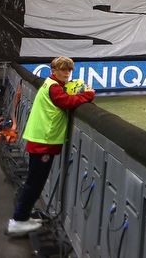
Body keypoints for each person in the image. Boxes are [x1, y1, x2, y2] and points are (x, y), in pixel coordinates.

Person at [7, 56, 95, 237]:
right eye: (63, 70)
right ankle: (18, 220)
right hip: (44, 142)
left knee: (34, 181)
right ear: (54, 70)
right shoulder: (54, 87)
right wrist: (88, 95)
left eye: (69, 70)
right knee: (35, 182)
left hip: (42, 140)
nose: (67, 73)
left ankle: (22, 217)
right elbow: (67, 103)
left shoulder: (51, 84)